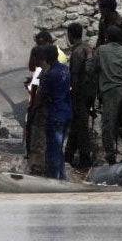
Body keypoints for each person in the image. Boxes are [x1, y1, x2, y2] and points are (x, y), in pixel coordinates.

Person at [88, 25, 122, 165]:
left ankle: (110, 157)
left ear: (107, 37)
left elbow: (91, 69)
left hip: (109, 92)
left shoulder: (101, 50)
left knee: (108, 125)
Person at [64, 23, 95, 169]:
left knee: (81, 126)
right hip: (88, 93)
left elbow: (75, 77)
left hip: (79, 95)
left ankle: (84, 159)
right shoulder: (87, 48)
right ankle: (68, 156)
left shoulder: (77, 52)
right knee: (76, 125)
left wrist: (72, 94)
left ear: (70, 35)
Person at [39, 44, 72, 180]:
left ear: (46, 57)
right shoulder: (65, 69)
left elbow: (44, 95)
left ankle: (54, 179)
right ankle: (61, 176)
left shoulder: (50, 74)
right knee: (59, 148)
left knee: (53, 148)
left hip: (55, 114)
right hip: (66, 112)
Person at [26, 45, 49, 176]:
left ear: (35, 58)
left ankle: (37, 170)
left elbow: (35, 97)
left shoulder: (41, 72)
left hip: (40, 113)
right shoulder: (47, 70)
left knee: (37, 143)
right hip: (47, 112)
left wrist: (33, 111)